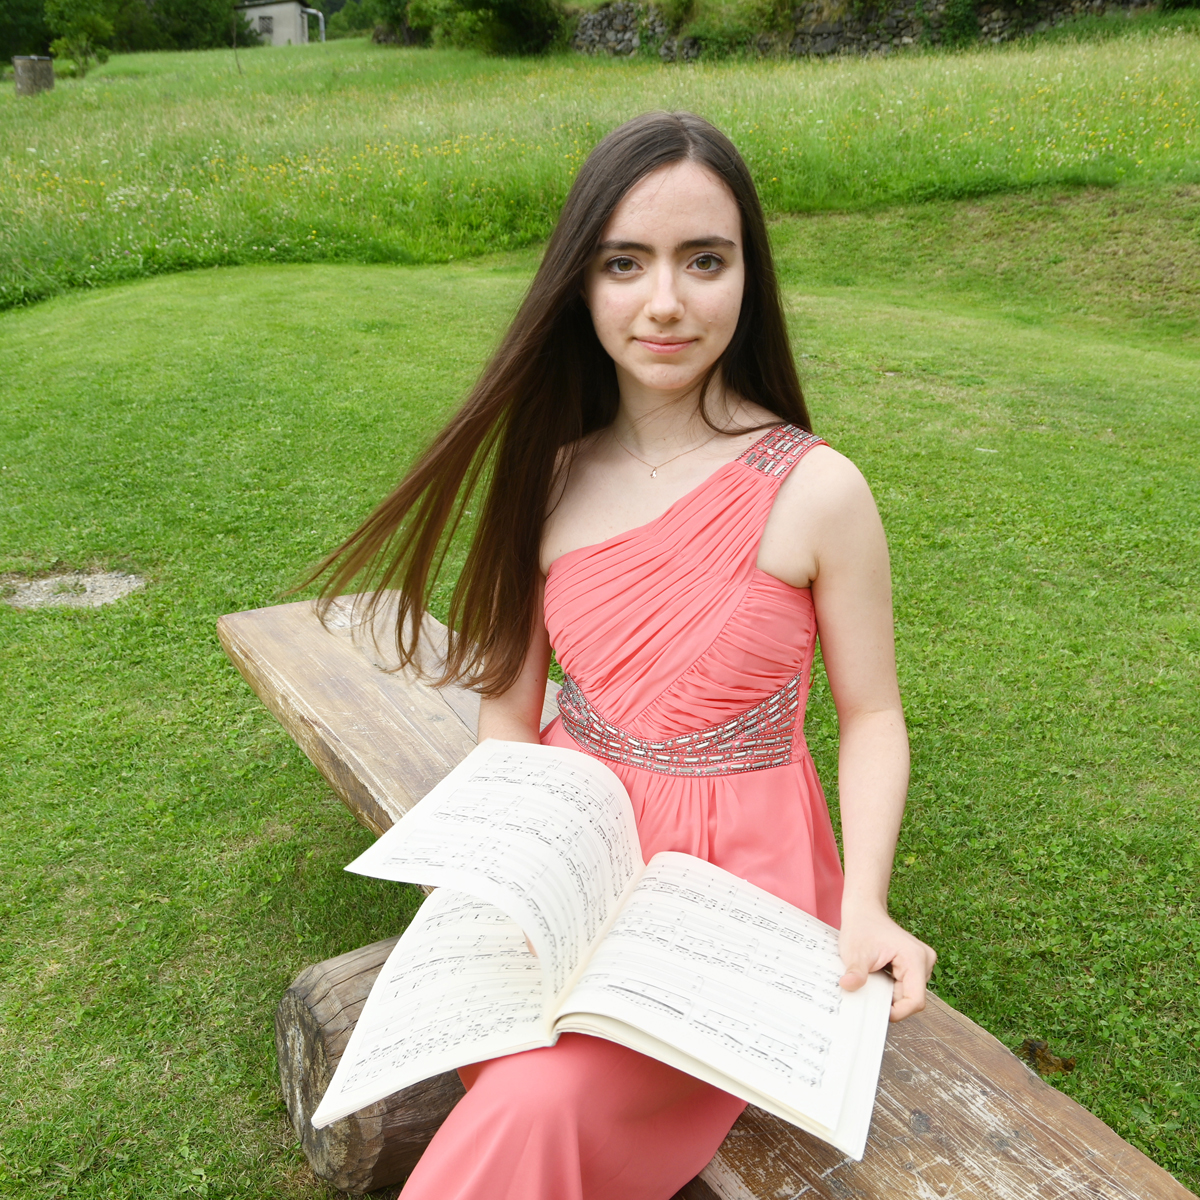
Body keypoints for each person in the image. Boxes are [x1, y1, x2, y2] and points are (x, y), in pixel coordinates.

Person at [311, 110, 937, 1200]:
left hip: (738, 885)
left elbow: (872, 714)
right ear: (580, 283)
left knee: (536, 1106)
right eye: (624, 263)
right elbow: (509, 715)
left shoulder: (816, 488)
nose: (665, 302)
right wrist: (503, 869)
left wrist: (869, 904)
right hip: (569, 857)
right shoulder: (549, 475)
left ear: (750, 275)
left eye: (706, 260)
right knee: (511, 1072)